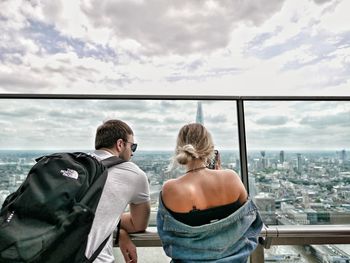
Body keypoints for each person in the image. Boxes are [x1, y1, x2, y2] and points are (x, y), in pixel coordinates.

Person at [157, 123, 263, 263]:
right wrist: (218, 176)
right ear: (210, 149)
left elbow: (166, 235)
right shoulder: (231, 178)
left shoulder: (170, 189)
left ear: (179, 150)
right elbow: (250, 220)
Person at [85, 119, 151, 263]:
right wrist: (118, 227)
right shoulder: (134, 174)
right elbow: (138, 224)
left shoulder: (78, 165)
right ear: (120, 144)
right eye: (132, 146)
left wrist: (117, 231)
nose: (132, 153)